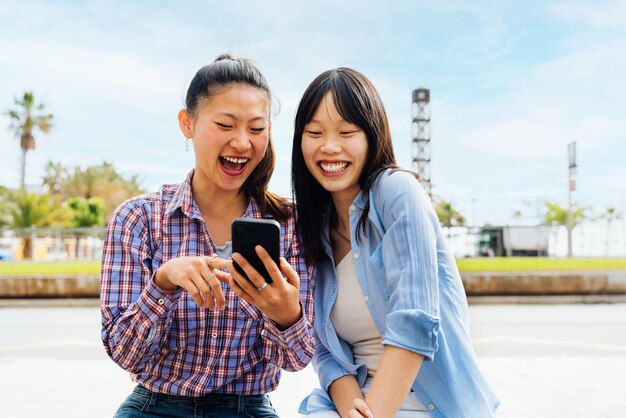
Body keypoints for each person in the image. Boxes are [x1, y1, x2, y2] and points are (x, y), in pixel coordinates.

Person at [100, 54, 315, 418]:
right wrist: (163, 283)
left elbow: (296, 359)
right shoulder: (138, 218)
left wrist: (285, 314)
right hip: (154, 406)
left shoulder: (289, 225)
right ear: (188, 123)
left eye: (256, 128)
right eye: (225, 124)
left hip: (247, 408)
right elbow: (124, 352)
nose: (242, 142)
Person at [292, 68, 499, 418]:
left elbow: (413, 322)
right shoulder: (312, 226)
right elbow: (325, 350)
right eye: (314, 133)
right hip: (351, 405)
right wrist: (350, 410)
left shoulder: (397, 192)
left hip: (430, 406)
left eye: (346, 132)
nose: (329, 147)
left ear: (372, 136)